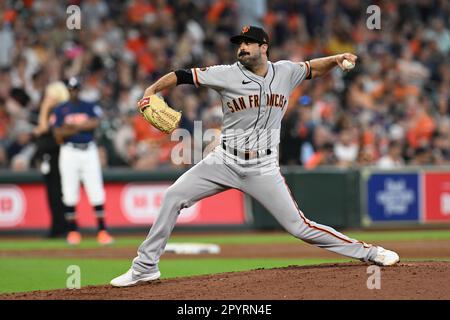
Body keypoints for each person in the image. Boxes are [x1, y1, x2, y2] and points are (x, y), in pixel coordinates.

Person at [111, 26, 399, 287]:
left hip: (262, 166)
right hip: (224, 160)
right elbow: (182, 75)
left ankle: (370, 252)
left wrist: (335, 59)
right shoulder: (225, 73)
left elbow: (312, 68)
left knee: (300, 226)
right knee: (173, 196)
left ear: (264, 47)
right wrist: (151, 90)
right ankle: (145, 267)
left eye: (249, 43)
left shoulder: (285, 71)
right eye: (240, 43)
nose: (243, 48)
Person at [52, 77, 114, 245]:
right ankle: (73, 231)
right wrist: (80, 126)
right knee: (69, 191)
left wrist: (72, 127)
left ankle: (102, 231)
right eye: (71, 89)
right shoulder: (60, 109)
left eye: (76, 89)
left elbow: (95, 123)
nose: (74, 92)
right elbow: (58, 134)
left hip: (88, 149)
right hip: (69, 150)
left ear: (80, 90)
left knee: (96, 190)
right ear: (68, 90)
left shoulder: (88, 105)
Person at [33, 81, 70, 238]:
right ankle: (57, 227)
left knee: (58, 194)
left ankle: (63, 228)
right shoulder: (54, 112)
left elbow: (43, 129)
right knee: (53, 194)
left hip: (58, 156)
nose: (47, 98)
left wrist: (44, 108)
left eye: (50, 95)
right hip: (50, 156)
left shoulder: (60, 111)